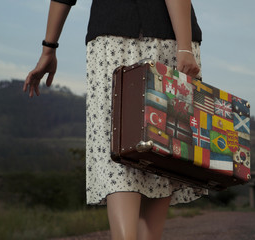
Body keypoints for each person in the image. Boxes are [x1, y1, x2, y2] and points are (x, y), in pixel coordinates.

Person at [24, 0, 207, 239]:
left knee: (119, 152)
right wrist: (184, 46)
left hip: (110, 40)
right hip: (167, 37)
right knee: (162, 152)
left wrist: (49, 48)